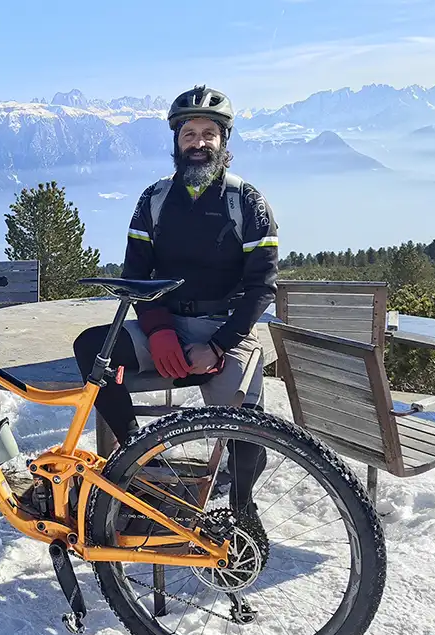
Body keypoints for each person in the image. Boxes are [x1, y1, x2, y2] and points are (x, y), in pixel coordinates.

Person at [72, 84, 279, 512]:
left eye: (209, 134)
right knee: (93, 347)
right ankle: (136, 455)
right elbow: (135, 277)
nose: (199, 143)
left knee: (246, 428)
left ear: (224, 141)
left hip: (227, 329)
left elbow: (262, 287)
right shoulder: (155, 200)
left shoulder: (249, 203)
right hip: (165, 324)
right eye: (189, 135)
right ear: (176, 141)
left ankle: (243, 508)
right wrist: (160, 330)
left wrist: (219, 344)